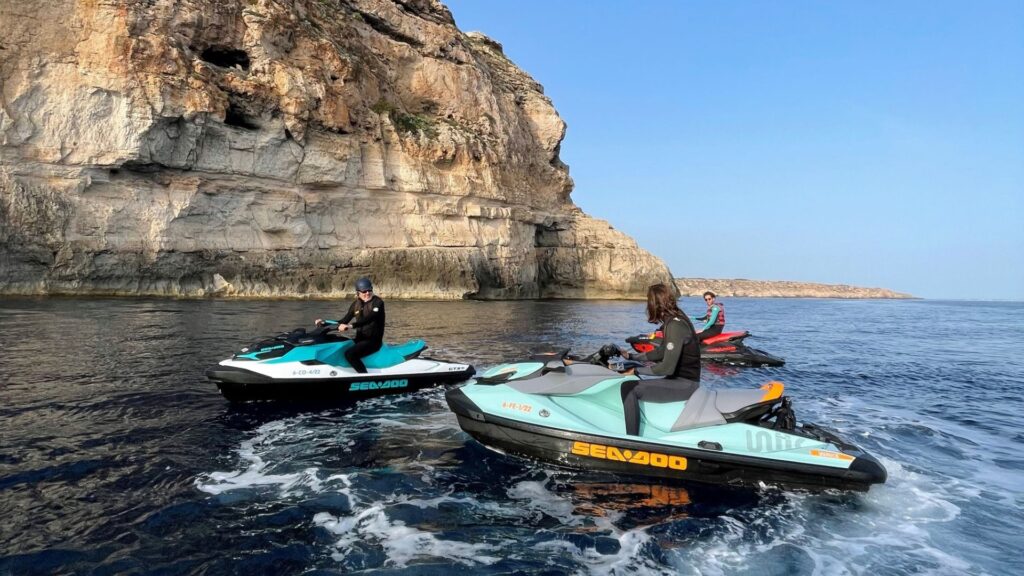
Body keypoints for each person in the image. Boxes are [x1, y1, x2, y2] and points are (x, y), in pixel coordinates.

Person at [617, 283, 701, 436]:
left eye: (648, 301)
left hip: (685, 384)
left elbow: (666, 368)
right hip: (679, 380)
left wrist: (635, 370)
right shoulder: (675, 319)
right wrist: (632, 357)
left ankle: (632, 441)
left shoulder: (675, 325)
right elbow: (661, 351)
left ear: (654, 303)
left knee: (628, 388)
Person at [315, 277, 385, 374]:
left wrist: (351, 326)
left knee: (350, 354)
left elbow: (369, 318)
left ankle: (364, 377)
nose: (367, 293)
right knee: (339, 346)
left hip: (373, 341)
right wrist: (324, 322)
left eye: (369, 290)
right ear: (358, 293)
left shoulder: (378, 302)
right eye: (364, 291)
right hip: (360, 339)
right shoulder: (355, 304)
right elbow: (343, 321)